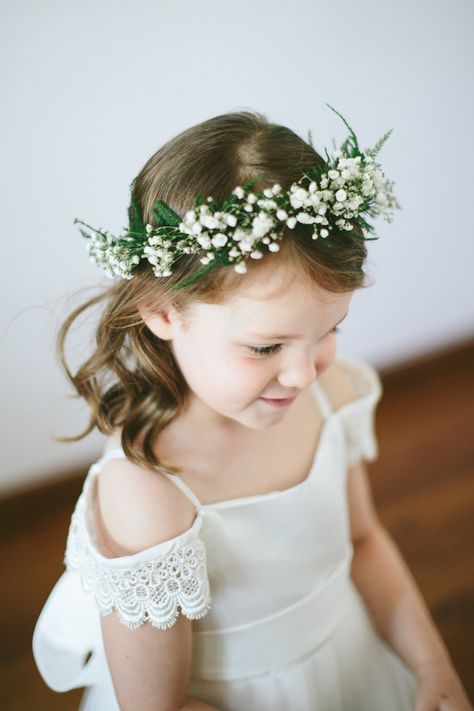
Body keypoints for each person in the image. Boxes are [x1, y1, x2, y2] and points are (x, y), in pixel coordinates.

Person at [32, 107, 472, 711]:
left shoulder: (331, 391)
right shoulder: (150, 491)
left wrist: (433, 667)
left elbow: (363, 540)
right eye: (265, 346)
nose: (303, 373)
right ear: (163, 310)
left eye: (328, 331)